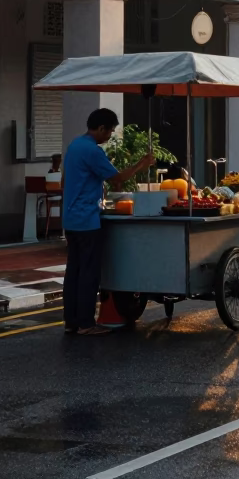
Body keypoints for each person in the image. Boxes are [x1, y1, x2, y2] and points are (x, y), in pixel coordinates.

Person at [62, 109, 154, 336]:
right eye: (111, 131)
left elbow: (68, 180)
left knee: (73, 270)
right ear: (101, 128)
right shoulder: (92, 151)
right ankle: (86, 323)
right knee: (89, 272)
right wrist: (142, 164)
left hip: (71, 218)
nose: (110, 135)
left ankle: (71, 322)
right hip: (87, 220)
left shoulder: (74, 146)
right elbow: (118, 179)